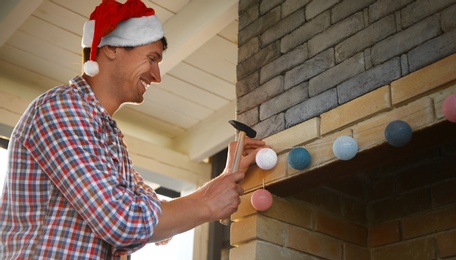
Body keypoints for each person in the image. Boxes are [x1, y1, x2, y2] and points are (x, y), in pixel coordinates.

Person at [0, 0, 266, 258]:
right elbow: (122, 221)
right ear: (113, 48)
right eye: (152, 58)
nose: (157, 75)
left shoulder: (109, 136)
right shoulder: (62, 109)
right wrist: (208, 204)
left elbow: (157, 221)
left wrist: (225, 177)